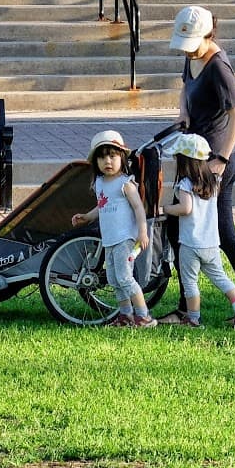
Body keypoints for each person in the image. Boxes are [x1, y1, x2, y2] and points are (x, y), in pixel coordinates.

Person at [171, 4, 235, 328]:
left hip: (213, 163)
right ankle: (190, 305)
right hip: (193, 157)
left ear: (208, 34)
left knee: (221, 233)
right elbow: (185, 86)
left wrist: (221, 160)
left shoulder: (218, 67)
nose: (187, 50)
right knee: (182, 230)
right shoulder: (191, 55)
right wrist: (183, 112)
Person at [156, 133, 235, 327]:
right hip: (211, 242)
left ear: (184, 161)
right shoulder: (214, 181)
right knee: (220, 277)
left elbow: (185, 209)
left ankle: (193, 318)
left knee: (190, 282)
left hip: (191, 243)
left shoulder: (185, 184)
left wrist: (166, 209)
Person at [71, 128, 156, 328]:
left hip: (125, 239)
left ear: (122, 158)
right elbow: (102, 206)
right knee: (113, 279)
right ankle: (125, 315)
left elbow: (139, 208)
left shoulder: (125, 184)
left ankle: (143, 316)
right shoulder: (100, 183)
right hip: (109, 239)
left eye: (112, 156)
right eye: (102, 158)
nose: (107, 161)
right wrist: (87, 216)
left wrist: (142, 232)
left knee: (125, 277)